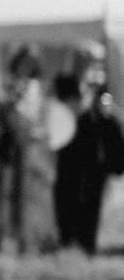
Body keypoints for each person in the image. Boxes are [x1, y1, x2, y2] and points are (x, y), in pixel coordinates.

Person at [53, 46, 124, 253]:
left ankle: (87, 243)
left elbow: (105, 110)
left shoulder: (100, 82)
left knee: (92, 198)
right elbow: (66, 111)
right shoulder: (65, 83)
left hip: (93, 150)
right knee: (68, 196)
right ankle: (67, 240)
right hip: (69, 149)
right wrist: (87, 94)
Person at [3, 46, 57, 254]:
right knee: (19, 196)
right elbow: (11, 116)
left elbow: (46, 116)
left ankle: (43, 238)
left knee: (40, 196)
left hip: (38, 149)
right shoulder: (13, 88)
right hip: (18, 149)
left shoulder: (41, 89)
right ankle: (22, 240)